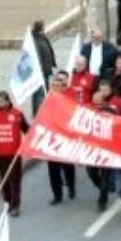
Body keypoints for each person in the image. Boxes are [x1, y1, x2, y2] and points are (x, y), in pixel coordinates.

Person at [0, 90, 29, 216]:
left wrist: (32, 137)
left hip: (15, 153)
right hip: (0, 154)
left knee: (15, 180)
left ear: (7, 101)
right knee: (4, 179)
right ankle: (7, 202)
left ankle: (16, 205)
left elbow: (26, 129)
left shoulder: (17, 114)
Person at [45, 73, 78, 204]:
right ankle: (57, 195)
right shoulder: (46, 101)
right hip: (50, 140)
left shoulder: (68, 100)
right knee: (53, 171)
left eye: (58, 86)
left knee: (67, 166)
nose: (55, 88)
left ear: (62, 87)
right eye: (53, 86)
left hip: (65, 139)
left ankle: (71, 185)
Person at [31, 20, 57, 115]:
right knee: (39, 94)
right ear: (41, 28)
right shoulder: (36, 40)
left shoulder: (42, 38)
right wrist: (41, 72)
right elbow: (38, 57)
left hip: (45, 71)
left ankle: (42, 112)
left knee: (44, 92)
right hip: (40, 73)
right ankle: (38, 114)